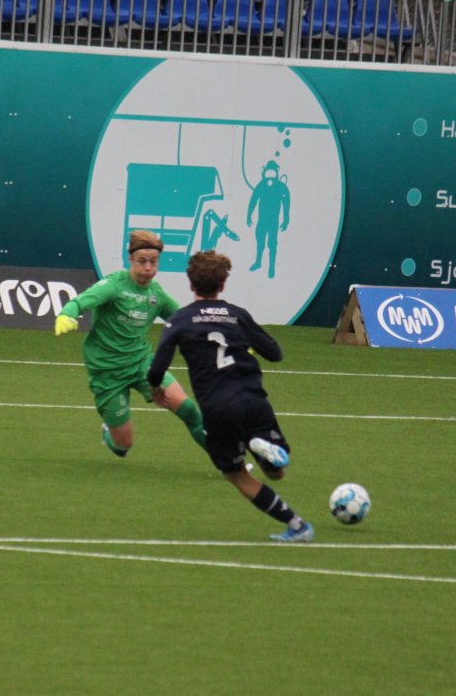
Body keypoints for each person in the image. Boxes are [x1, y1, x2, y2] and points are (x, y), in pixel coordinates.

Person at [147, 250, 314, 543]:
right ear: (222, 285)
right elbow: (275, 353)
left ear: (190, 283)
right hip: (254, 400)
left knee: (236, 474)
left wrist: (155, 388)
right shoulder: (238, 315)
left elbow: (158, 366)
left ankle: (297, 525)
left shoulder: (179, 321)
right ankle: (262, 448)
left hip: (219, 408)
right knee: (276, 473)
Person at [55, 229, 206, 458]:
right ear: (130, 259)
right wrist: (67, 314)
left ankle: (230, 464)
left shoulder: (156, 294)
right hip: (107, 371)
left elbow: (186, 321)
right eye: (142, 261)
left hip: (141, 363)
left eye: (153, 261)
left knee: (188, 410)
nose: (148, 268)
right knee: (123, 446)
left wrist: (228, 337)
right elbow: (80, 301)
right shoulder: (113, 285)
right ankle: (109, 432)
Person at [246, 160, 290, 279]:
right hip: (262, 220)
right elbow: (253, 200)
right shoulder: (261, 185)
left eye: (272, 172)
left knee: (272, 243)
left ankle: (271, 267)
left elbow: (286, 204)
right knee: (260, 241)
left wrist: (286, 219)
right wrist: (249, 215)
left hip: (273, 221)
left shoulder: (281, 187)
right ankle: (258, 262)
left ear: (276, 173)